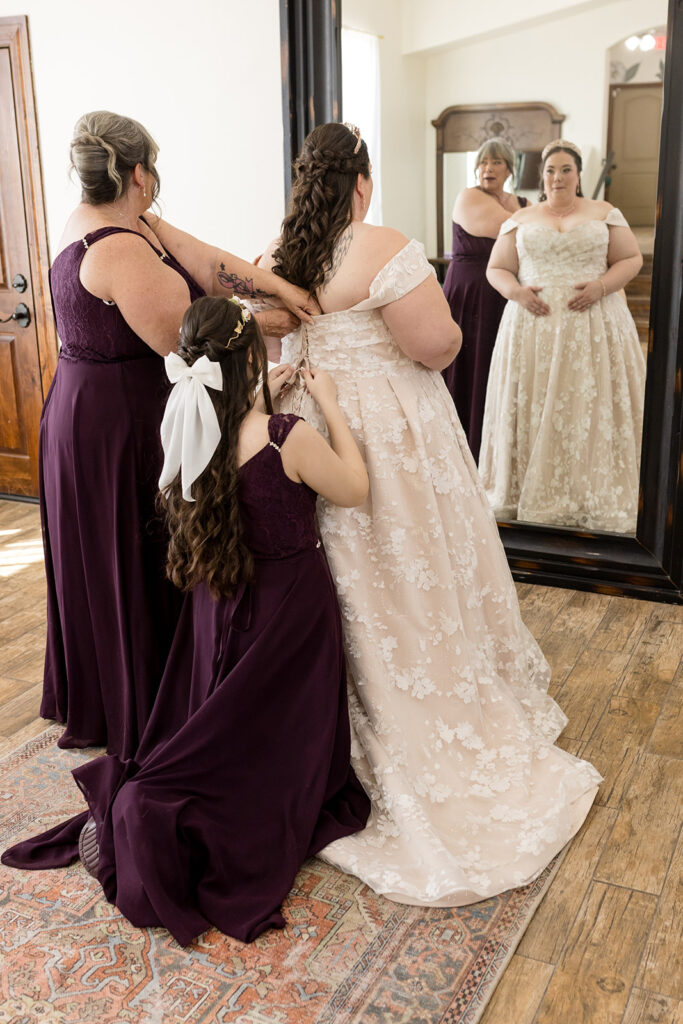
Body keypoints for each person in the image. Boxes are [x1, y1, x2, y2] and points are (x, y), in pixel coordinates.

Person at [261, 122, 601, 908]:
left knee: (342, 576)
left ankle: (335, 732)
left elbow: (281, 346)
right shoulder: (380, 245)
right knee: (408, 571)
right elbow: (438, 345)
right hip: (386, 435)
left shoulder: (277, 253)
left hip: (309, 428)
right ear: (361, 182)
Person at [3, 296, 370, 946]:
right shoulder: (287, 435)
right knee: (264, 744)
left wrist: (263, 393)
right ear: (252, 360)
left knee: (215, 726)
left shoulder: (187, 427)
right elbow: (353, 488)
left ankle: (140, 805)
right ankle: (151, 816)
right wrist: (331, 404)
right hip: (287, 618)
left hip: (215, 606)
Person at [41, 110, 313, 759]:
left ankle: (152, 680)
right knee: (131, 552)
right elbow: (191, 343)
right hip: (114, 426)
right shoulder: (118, 250)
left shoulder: (130, 222)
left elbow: (206, 262)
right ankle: (138, 701)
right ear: (140, 173)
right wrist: (263, 320)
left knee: (136, 552)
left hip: (112, 408)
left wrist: (279, 286)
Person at [479, 139, 646, 533]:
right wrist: (516, 292)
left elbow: (631, 258)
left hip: (594, 325)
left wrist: (602, 286)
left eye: (566, 169)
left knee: (587, 401)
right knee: (534, 403)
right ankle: (521, 490)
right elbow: (496, 268)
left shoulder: (605, 212)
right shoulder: (520, 219)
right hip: (531, 329)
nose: (558, 177)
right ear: (542, 177)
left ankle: (590, 488)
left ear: (578, 174)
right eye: (551, 170)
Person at [442, 138, 529, 462]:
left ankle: (494, 447)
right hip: (468, 294)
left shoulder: (522, 201)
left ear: (509, 168)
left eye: (495, 162)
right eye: (482, 162)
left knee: (496, 364)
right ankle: (461, 446)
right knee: (468, 365)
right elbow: (516, 229)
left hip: (503, 295)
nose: (487, 169)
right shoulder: (469, 197)